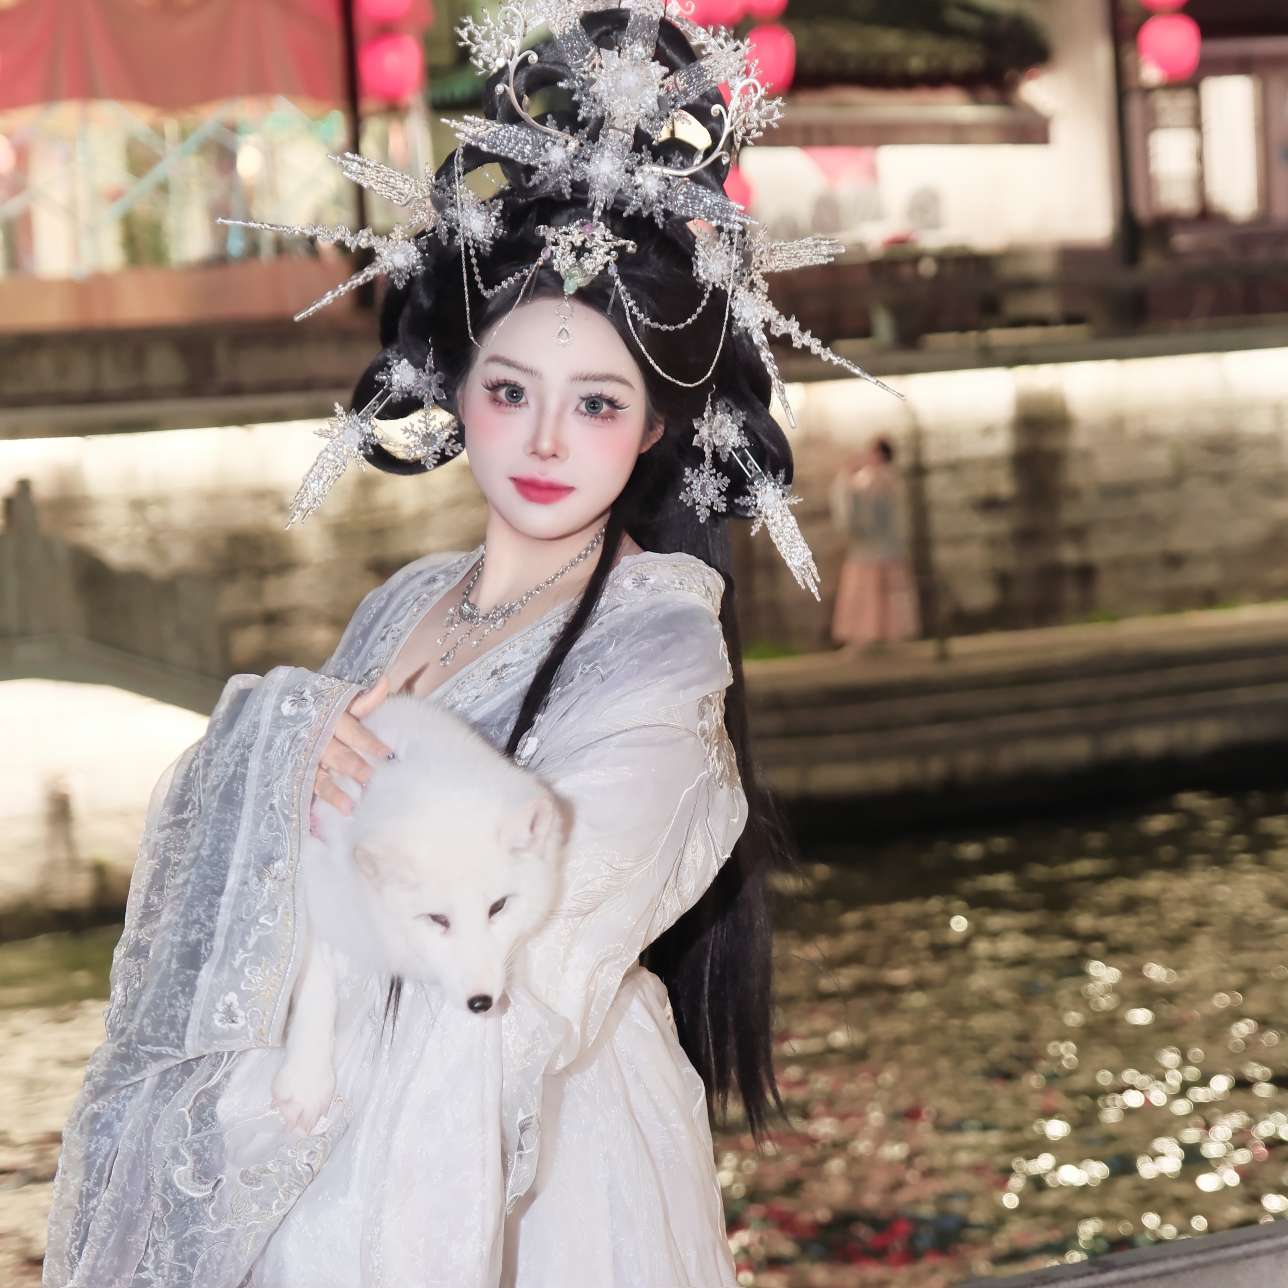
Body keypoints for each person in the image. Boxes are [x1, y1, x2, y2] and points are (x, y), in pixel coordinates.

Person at [43, 6, 898, 1286]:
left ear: (656, 427)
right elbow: (288, 861)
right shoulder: (404, 602)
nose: (545, 441)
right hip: (322, 1116)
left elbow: (520, 979)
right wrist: (271, 742)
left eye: (596, 402)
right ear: (456, 389)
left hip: (536, 1162)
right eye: (510, 391)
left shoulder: (658, 647)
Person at [830, 435, 920, 654]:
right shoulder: (895, 480)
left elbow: (852, 511)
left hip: (868, 550)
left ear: (879, 455)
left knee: (866, 594)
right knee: (888, 592)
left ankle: (864, 638)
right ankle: (892, 637)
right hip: (887, 549)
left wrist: (845, 476)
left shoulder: (869, 481)